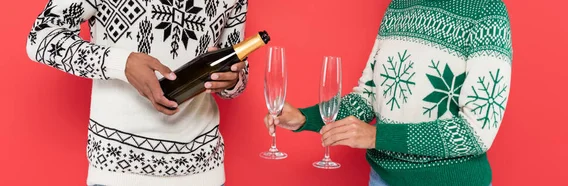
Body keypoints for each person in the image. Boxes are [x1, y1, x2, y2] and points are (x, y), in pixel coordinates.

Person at [265, 0, 512, 185]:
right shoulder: (398, 8)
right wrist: (305, 117)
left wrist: (377, 137)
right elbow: (367, 98)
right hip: (382, 179)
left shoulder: (487, 13)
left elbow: (476, 132)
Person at [26, 0, 249, 185]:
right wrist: (121, 63)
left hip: (204, 169)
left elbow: (235, 69)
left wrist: (231, 81)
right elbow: (41, 38)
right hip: (118, 170)